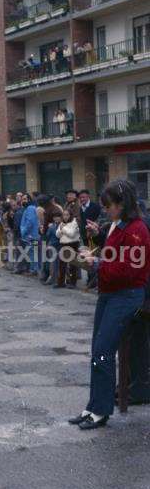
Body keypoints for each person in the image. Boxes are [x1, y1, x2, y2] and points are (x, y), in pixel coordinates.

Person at [69, 179, 150, 430]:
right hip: (111, 293)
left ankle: (101, 411)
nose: (105, 209)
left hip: (126, 295)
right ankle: (94, 405)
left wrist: (94, 264)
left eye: (109, 205)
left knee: (104, 350)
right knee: (98, 350)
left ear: (122, 204)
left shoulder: (137, 229)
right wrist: (98, 256)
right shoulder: (119, 225)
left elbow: (129, 269)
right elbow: (115, 256)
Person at [56, 209, 80, 288]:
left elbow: (71, 234)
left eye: (67, 215)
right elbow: (58, 235)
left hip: (72, 244)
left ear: (70, 215)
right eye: (64, 215)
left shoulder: (74, 223)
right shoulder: (62, 223)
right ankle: (61, 282)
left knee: (73, 264)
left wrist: (63, 229)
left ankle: (73, 283)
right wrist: (61, 230)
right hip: (63, 244)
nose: (65, 217)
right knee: (62, 265)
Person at [20, 194, 39, 276]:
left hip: (31, 236)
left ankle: (34, 270)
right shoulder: (29, 208)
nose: (23, 201)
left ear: (29, 200)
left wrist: (23, 231)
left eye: (25, 199)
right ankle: (34, 269)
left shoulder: (30, 208)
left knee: (32, 252)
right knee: (33, 252)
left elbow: (30, 222)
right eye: (22, 199)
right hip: (32, 235)